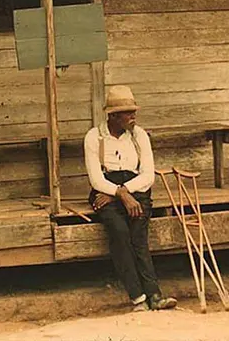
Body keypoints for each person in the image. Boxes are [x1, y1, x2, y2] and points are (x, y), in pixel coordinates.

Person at [84, 85, 178, 312]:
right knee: (119, 231)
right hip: (106, 191)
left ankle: (154, 295)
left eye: (134, 111)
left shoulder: (140, 135)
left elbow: (147, 176)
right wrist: (121, 194)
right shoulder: (94, 137)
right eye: (128, 112)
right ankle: (137, 297)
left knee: (138, 237)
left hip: (134, 191)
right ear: (113, 116)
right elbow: (96, 179)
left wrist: (123, 192)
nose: (133, 116)